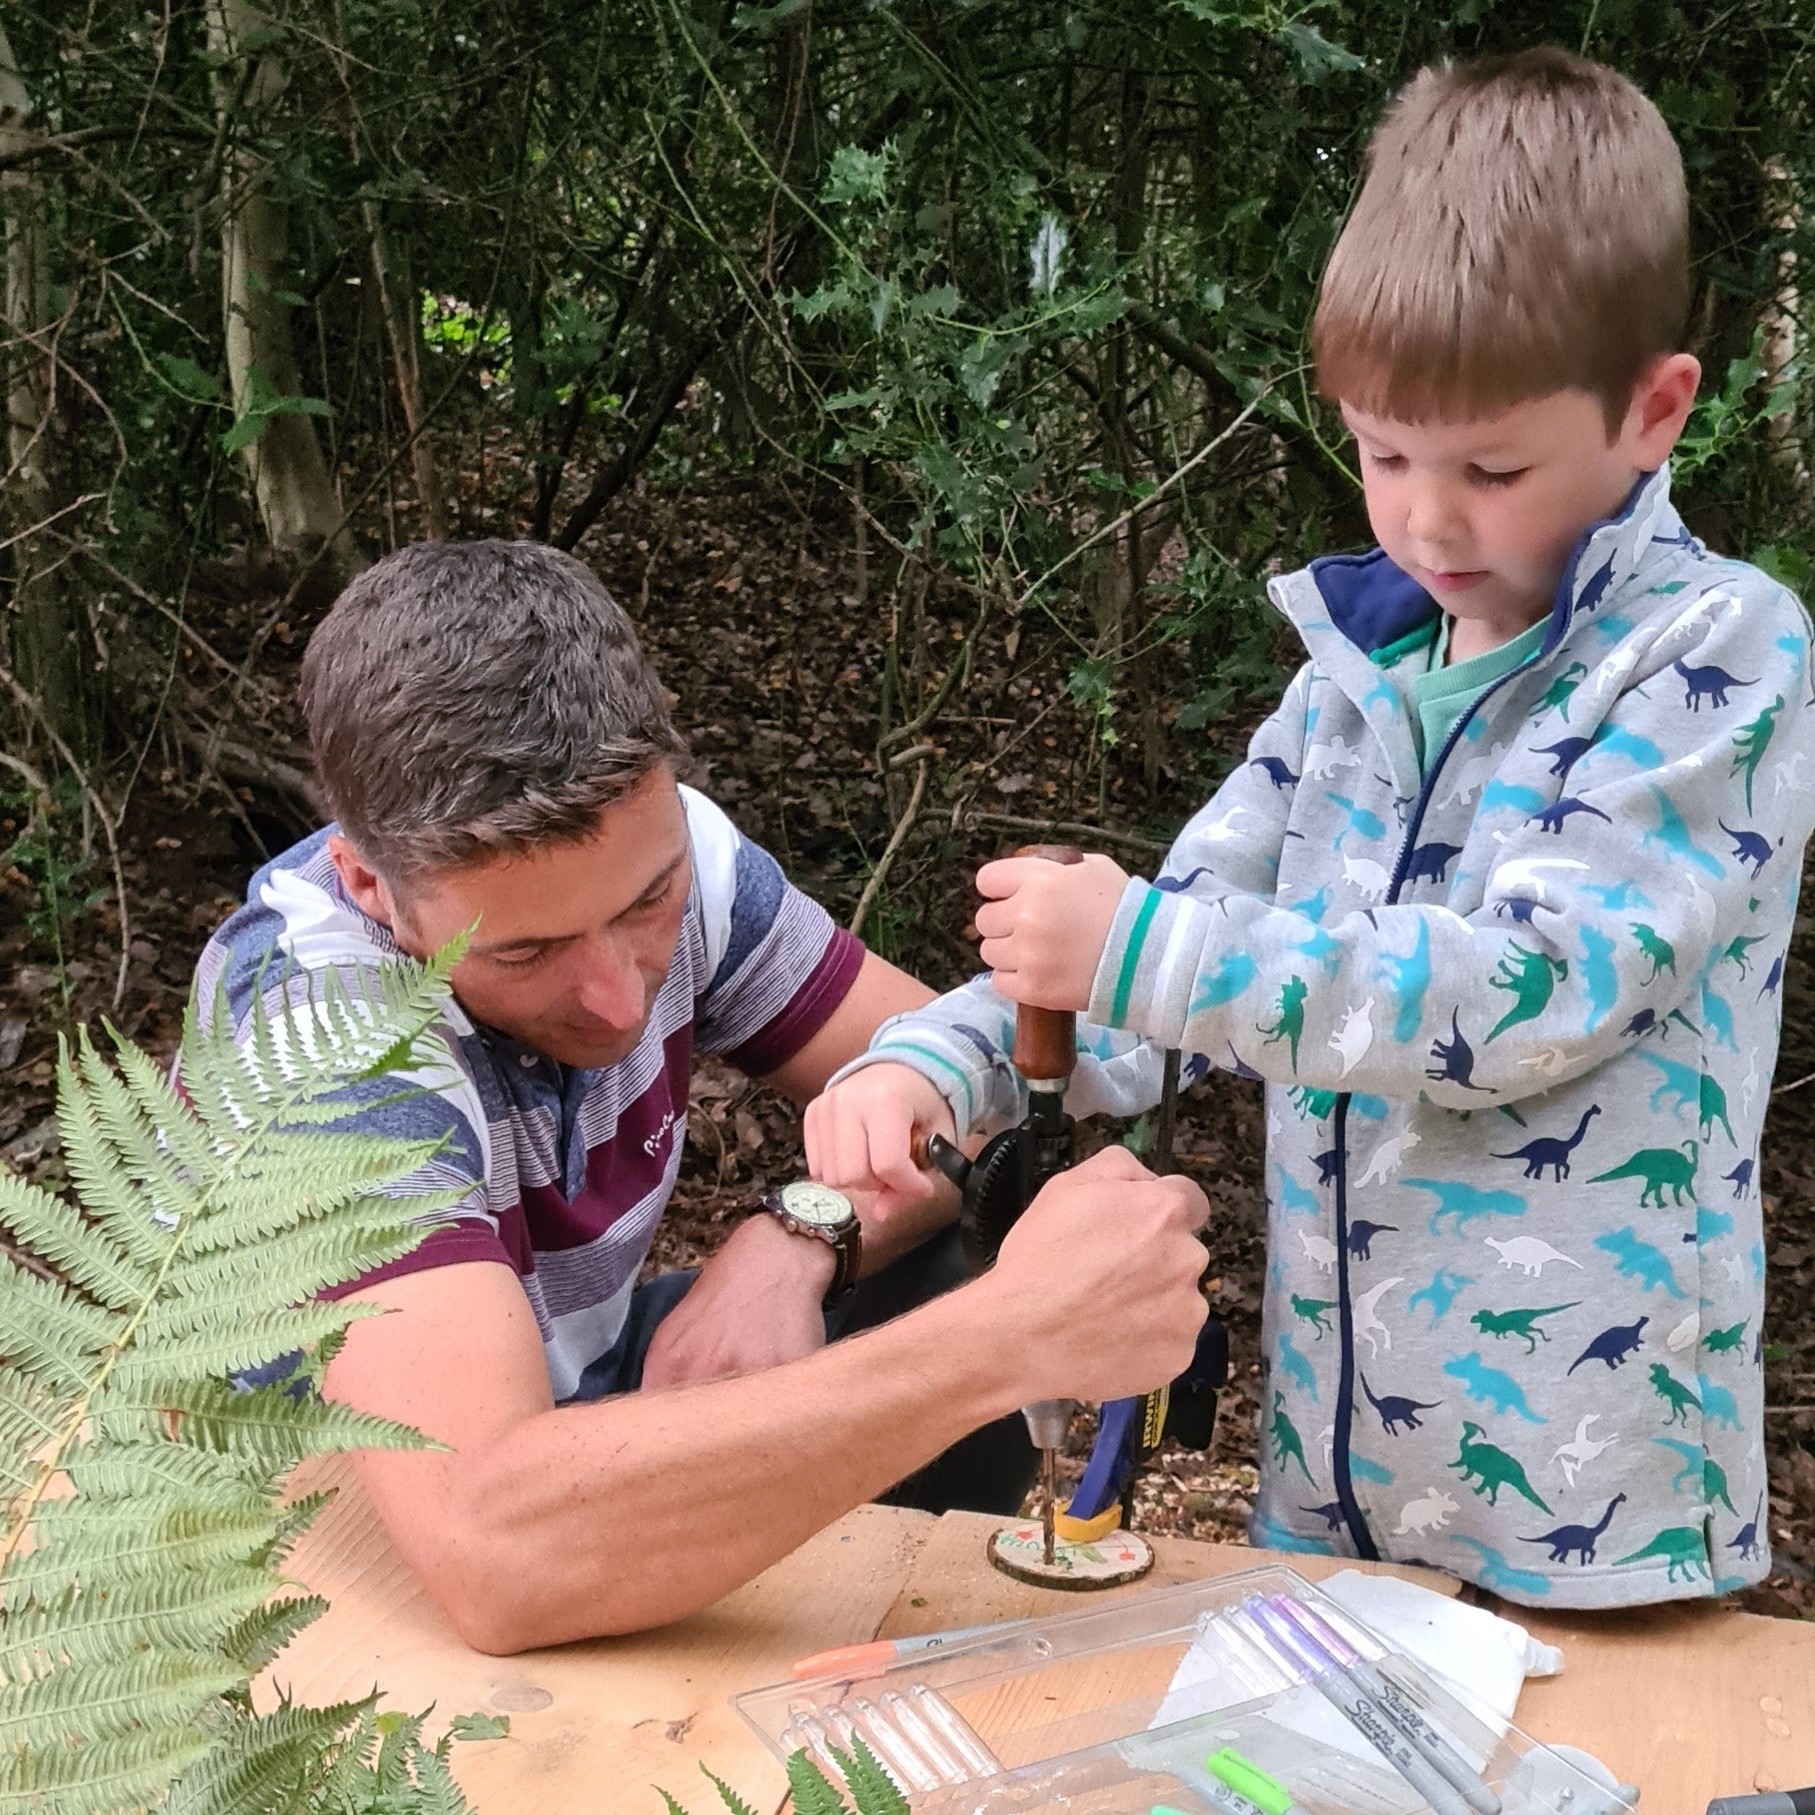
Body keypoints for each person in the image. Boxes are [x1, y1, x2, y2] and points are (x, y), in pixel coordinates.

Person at [804, 48, 1815, 1608]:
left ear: (1650, 409)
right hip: (1334, 1472)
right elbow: (1174, 956)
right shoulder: (1356, 678)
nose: (1422, 520)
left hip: (1591, 1507)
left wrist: (1142, 944)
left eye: (1487, 466)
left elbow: (1523, 992)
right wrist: (943, 1055)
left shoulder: (1711, 657)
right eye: (1380, 451)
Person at [192, 539, 1211, 1651]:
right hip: (324, 1550)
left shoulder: (689, 861)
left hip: (560, 1411)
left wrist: (803, 1232)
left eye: (646, 902)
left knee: (943, 1257)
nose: (617, 994)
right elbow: (489, 1550)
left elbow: (960, 1099)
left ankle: (855, 1659)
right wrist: (1009, 1340)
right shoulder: (322, 1034)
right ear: (367, 887)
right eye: (526, 953)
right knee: (970, 1311)